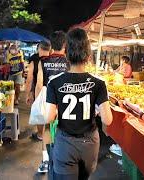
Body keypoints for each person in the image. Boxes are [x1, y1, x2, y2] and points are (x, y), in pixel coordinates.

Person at [45, 28, 112, 179]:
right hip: (89, 143)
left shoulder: (54, 82)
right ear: (88, 56)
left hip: (65, 143)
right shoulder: (99, 83)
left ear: (66, 55)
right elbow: (107, 120)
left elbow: (48, 118)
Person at [35, 31, 69, 173]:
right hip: (65, 101)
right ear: (65, 45)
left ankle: (45, 161)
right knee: (64, 130)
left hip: (48, 100)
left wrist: (37, 102)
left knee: (47, 130)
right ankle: (64, 160)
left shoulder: (43, 61)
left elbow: (39, 84)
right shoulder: (69, 62)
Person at [26, 41, 51, 141]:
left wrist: (28, 94)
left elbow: (29, 78)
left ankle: (40, 134)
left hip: (39, 90)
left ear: (39, 48)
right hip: (53, 90)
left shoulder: (34, 59)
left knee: (40, 112)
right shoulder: (55, 59)